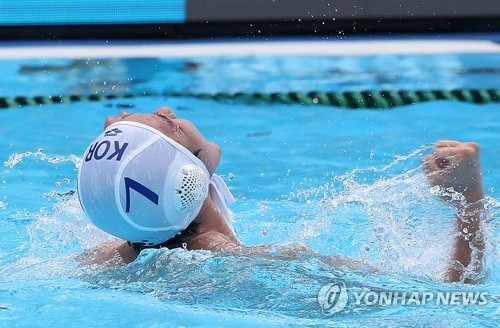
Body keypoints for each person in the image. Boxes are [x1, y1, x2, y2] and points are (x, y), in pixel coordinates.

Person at [78, 107, 487, 283]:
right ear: (187, 177)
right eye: (172, 127)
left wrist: (121, 147)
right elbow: (446, 300)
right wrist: (468, 198)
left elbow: (118, 194)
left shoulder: (103, 259)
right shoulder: (259, 265)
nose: (169, 112)